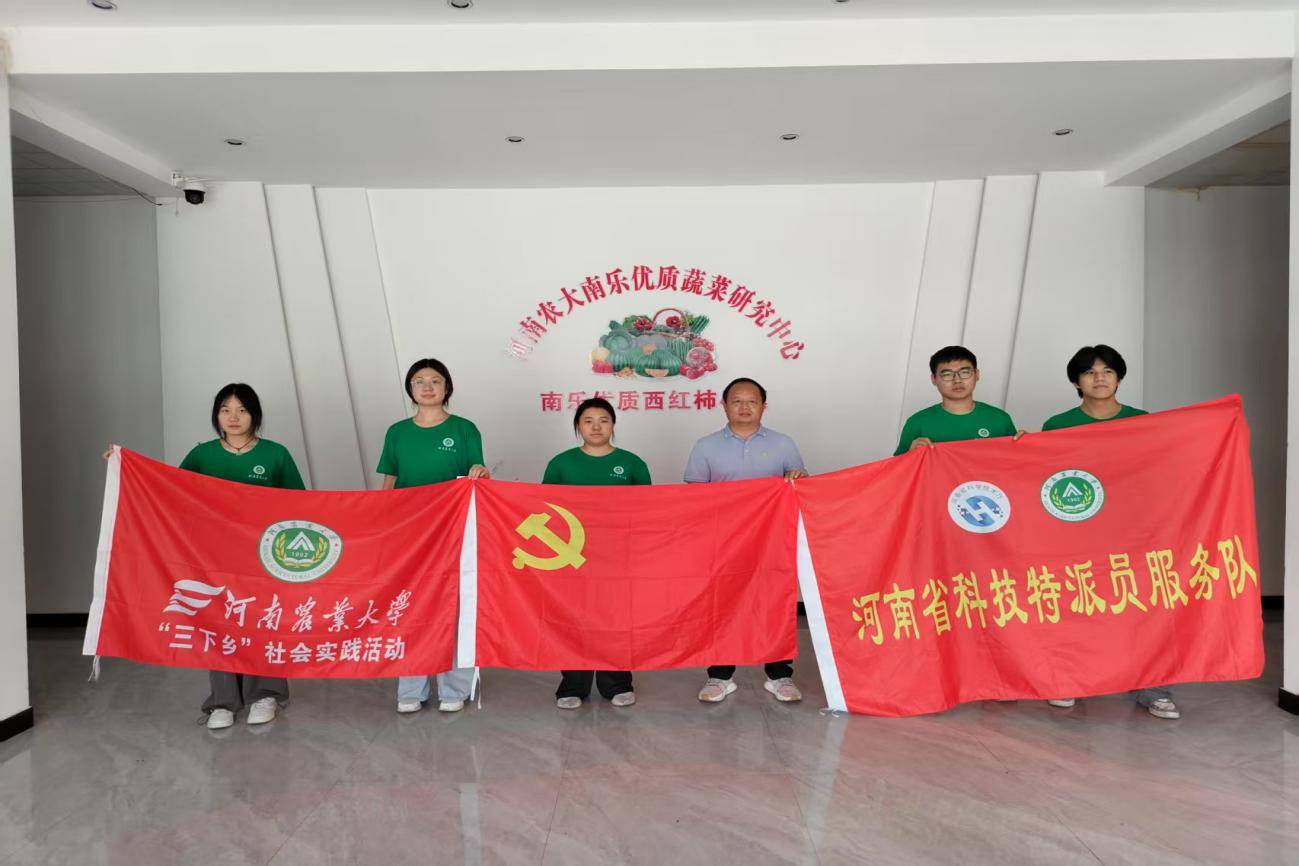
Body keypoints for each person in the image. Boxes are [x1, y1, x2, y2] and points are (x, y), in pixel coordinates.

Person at [1040, 345, 1177, 720]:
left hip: (1136, 533)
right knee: (1076, 606)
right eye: (1089, 372)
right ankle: (1069, 681)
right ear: (1076, 382)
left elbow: (1164, 471)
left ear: (1119, 378)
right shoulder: (1057, 425)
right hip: (1077, 534)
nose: (1099, 378)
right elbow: (1042, 477)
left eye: (1107, 371)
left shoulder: (1143, 422)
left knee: (1148, 609)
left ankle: (1154, 689)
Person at [178, 383, 306, 729]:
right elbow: (169, 489)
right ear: (216, 416)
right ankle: (223, 701)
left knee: (262, 622)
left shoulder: (275, 454)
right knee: (219, 622)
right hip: (214, 557)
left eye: (242, 410)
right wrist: (123, 465)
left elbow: (299, 504)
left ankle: (265, 695)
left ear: (254, 415)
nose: (233, 417)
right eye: (225, 410)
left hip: (263, 558)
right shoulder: (202, 455)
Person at [684, 377, 808, 703]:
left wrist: (798, 479)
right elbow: (695, 496)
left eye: (751, 401)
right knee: (722, 605)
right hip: (723, 542)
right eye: (736, 401)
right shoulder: (705, 446)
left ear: (763, 406)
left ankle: (779, 675)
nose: (744, 407)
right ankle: (720, 676)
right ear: (724, 405)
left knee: (775, 604)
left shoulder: (783, 444)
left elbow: (800, 487)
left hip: (772, 541)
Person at [379, 358, 490, 715]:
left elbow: (476, 476)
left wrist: (480, 472)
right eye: (419, 381)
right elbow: (390, 483)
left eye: (435, 380)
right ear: (410, 389)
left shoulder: (464, 429)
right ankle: (411, 688)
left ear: (447, 387)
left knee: (455, 607)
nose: (428, 387)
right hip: (410, 533)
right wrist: (383, 524)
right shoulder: (397, 432)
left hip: (455, 531)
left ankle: (454, 687)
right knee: (411, 606)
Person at [542, 397, 650, 710]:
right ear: (578, 426)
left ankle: (617, 684)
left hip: (618, 556)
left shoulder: (632, 463)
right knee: (573, 618)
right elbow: (545, 508)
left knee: (615, 619)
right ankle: (572, 686)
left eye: (603, 420)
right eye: (588, 421)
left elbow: (649, 510)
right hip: (571, 555)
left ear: (613, 424)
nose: (596, 427)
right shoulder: (561, 463)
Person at [895, 346, 1018, 455]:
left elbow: (1016, 464)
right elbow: (897, 469)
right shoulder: (917, 423)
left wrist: (1025, 443)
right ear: (934, 379)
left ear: (977, 375)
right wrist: (911, 454)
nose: (957, 380)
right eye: (947, 374)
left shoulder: (1000, 419)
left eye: (965, 372)